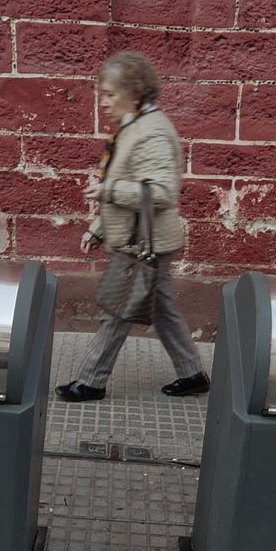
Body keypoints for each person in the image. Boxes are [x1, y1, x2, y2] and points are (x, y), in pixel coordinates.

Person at [57, 52, 209, 403]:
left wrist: (108, 191)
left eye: (110, 94)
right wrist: (98, 228)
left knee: (117, 312)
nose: (104, 102)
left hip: (143, 243)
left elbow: (161, 191)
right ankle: (193, 375)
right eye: (103, 94)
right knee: (163, 311)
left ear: (135, 92)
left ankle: (91, 382)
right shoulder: (134, 125)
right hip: (142, 238)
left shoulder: (151, 132)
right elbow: (130, 182)